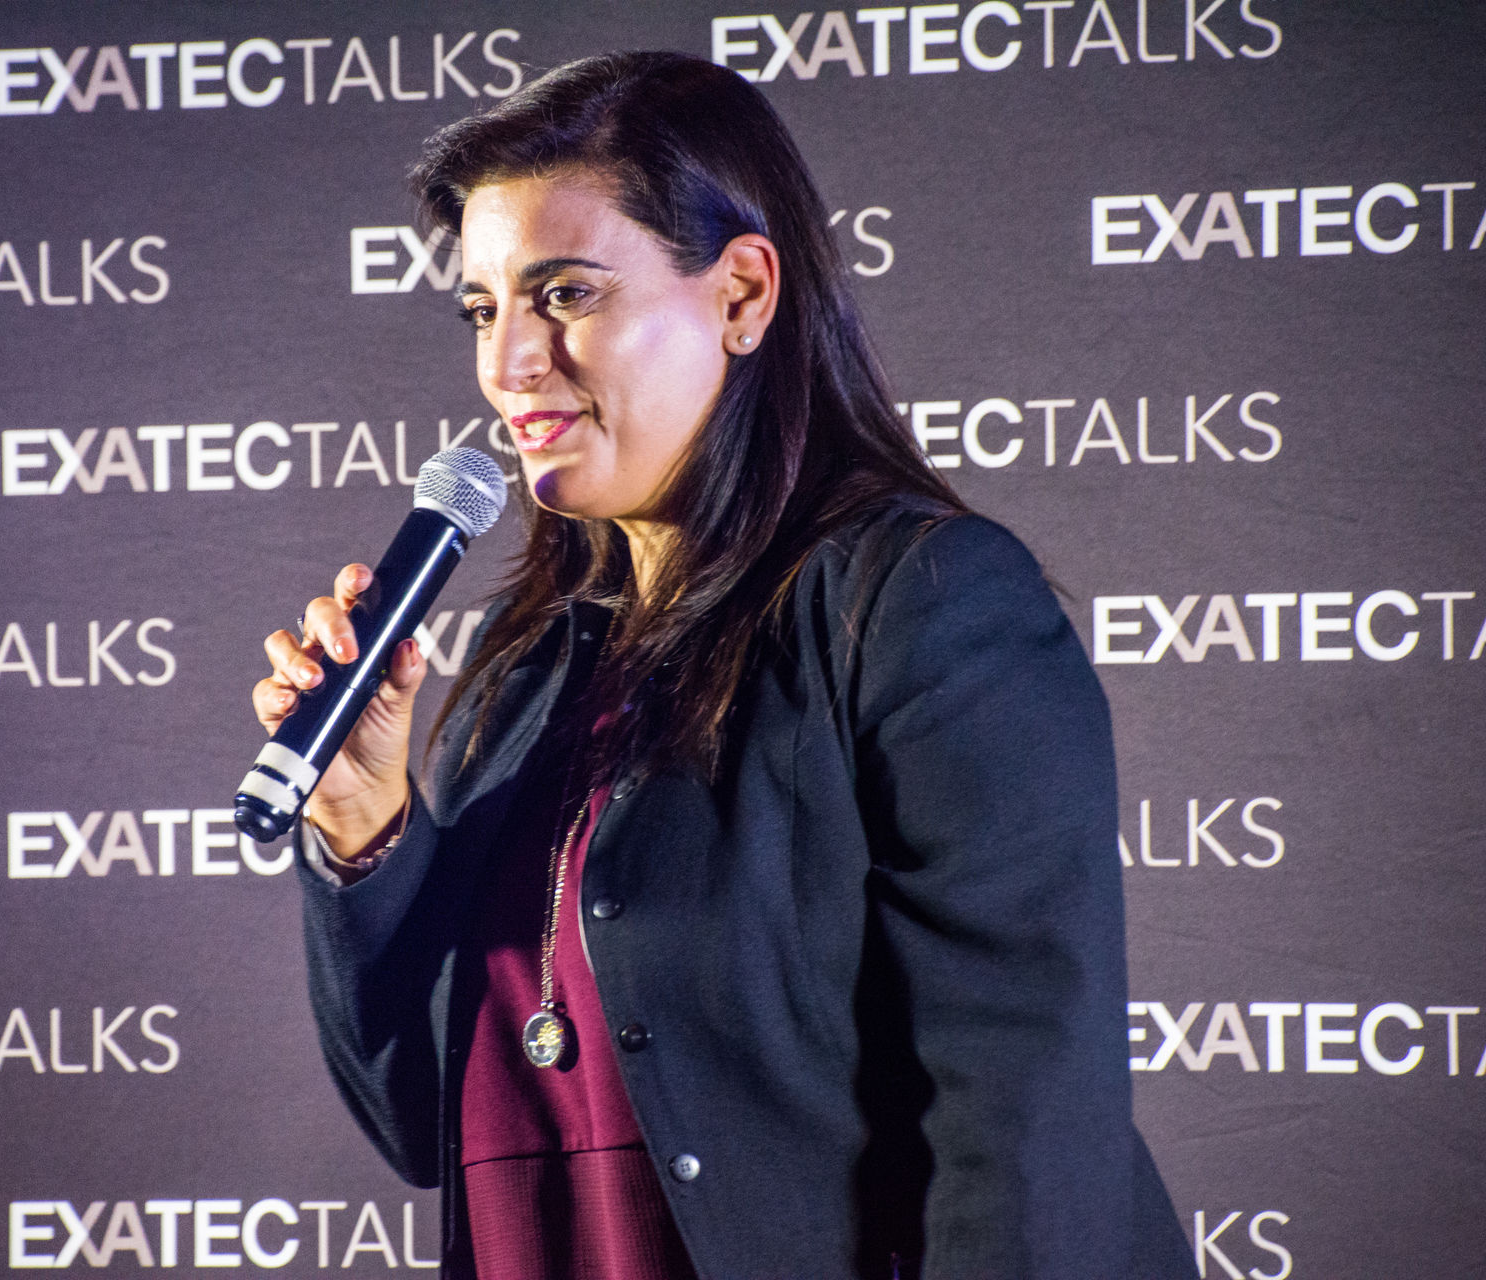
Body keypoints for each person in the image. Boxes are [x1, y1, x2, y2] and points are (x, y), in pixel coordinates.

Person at [253, 51, 1197, 1280]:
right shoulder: (527, 664)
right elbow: (432, 1116)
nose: (511, 363)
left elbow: (1023, 1124)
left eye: (568, 295)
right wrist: (368, 821)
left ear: (743, 293)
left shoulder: (920, 602)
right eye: (484, 309)